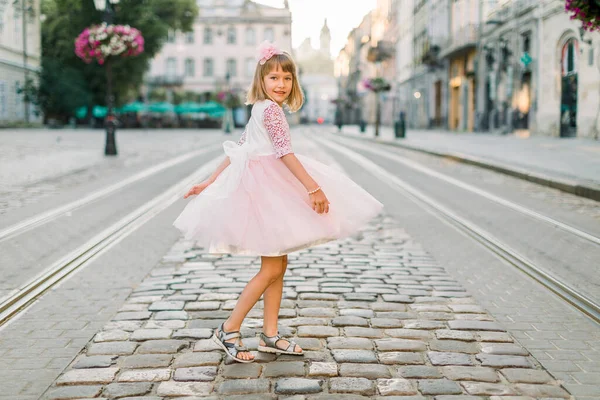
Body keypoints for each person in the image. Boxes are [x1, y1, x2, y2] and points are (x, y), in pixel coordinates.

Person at [173, 41, 383, 363]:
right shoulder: (269, 110)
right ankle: (227, 330)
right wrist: (314, 188)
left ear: (293, 82)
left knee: (277, 265)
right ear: (261, 80)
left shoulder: (261, 108)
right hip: (266, 194)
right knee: (271, 266)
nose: (281, 84)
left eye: (286, 78)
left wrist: (209, 180)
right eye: (273, 78)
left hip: (265, 191)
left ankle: (270, 335)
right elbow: (283, 152)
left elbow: (240, 148)